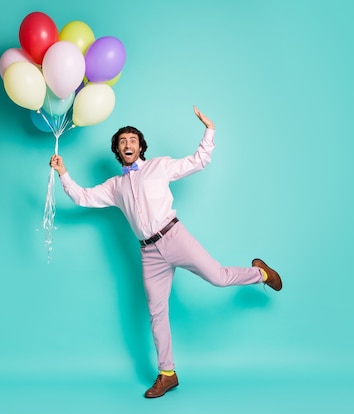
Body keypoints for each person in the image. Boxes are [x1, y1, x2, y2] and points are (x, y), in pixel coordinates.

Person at [49, 106, 282, 398]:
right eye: (122, 141)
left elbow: (197, 161)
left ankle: (261, 272)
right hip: (149, 253)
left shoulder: (159, 166)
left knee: (218, 277)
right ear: (117, 151)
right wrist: (64, 173)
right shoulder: (115, 186)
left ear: (141, 146)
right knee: (156, 313)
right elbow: (83, 197)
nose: (128, 144)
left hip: (174, 236)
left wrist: (209, 131)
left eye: (132, 139)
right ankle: (167, 373)